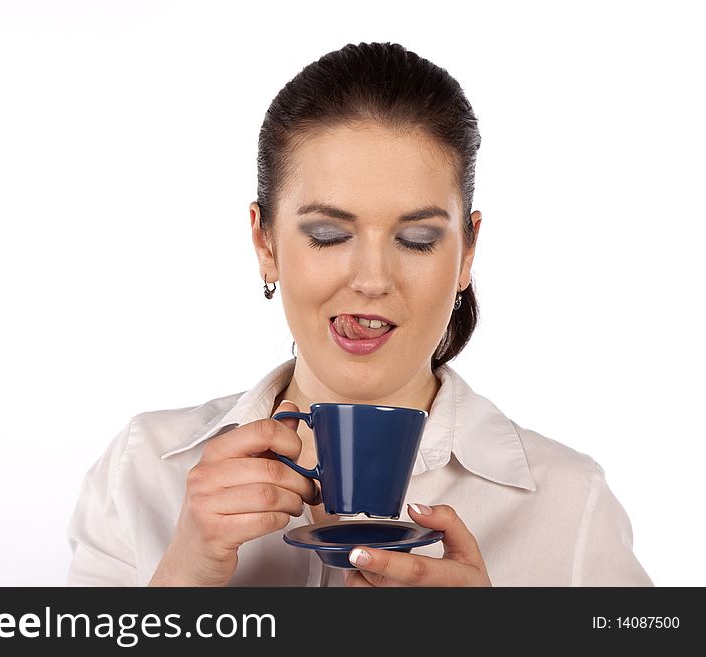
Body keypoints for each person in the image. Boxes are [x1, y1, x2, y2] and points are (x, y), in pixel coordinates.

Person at [65, 42, 652, 587]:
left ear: (467, 251)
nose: (372, 280)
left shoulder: (570, 503)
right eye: (327, 234)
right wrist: (181, 578)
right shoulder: (143, 470)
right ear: (265, 243)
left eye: (417, 239)